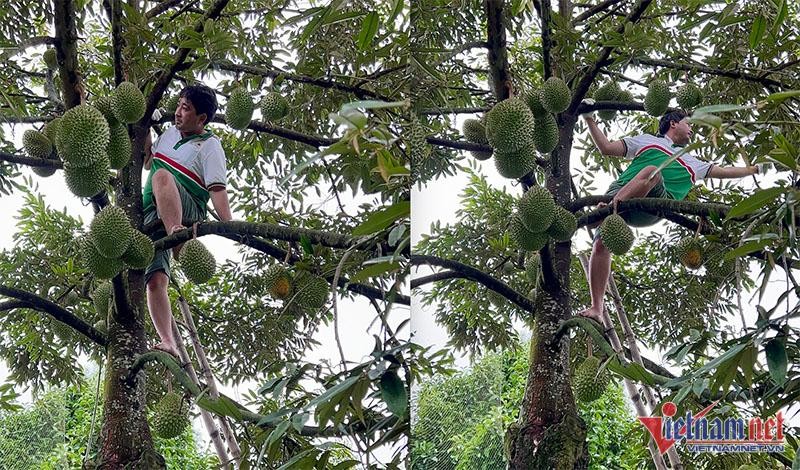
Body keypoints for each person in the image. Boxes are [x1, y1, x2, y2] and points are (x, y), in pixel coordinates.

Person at [578, 107, 768, 325]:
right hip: (619, 191)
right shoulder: (647, 140)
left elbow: (724, 171)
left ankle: (606, 212)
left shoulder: (692, 161)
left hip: (653, 204)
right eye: (689, 124)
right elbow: (606, 148)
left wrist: (753, 170)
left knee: (653, 171)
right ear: (673, 123)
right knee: (601, 246)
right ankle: (597, 307)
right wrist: (589, 117)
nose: (692, 131)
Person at [142, 84, 232, 358]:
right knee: (155, 280)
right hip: (151, 212)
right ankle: (168, 340)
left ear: (202, 118)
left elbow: (217, 190)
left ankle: (178, 238)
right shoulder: (169, 134)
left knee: (161, 176)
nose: (178, 113)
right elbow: (146, 160)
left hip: (188, 208)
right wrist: (144, 123)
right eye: (179, 105)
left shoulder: (210, 145)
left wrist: (230, 227)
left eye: (186, 108)